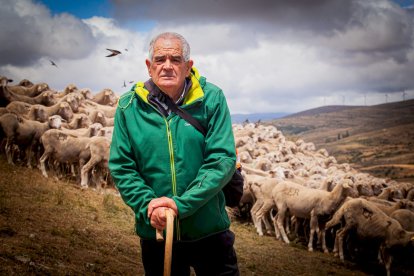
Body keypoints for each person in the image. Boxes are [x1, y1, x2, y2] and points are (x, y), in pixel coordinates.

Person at [108, 32, 239, 276]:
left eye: (175, 59)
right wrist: (149, 205)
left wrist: (180, 205)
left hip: (209, 231)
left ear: (189, 66)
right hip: (157, 233)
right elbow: (122, 166)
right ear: (149, 67)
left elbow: (221, 159)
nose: (167, 66)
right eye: (160, 59)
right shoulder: (128, 107)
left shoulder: (212, 100)